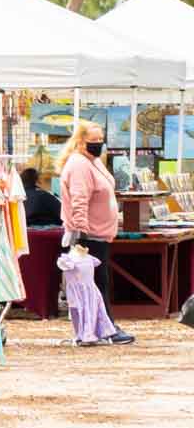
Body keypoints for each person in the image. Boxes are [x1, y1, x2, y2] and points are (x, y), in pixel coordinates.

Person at [59, 120, 133, 344]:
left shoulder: (94, 162)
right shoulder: (80, 164)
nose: (98, 145)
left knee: (98, 282)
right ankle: (106, 329)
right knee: (96, 283)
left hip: (99, 233)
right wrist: (81, 232)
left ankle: (102, 327)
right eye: (94, 141)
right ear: (81, 142)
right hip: (88, 235)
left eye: (101, 140)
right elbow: (79, 199)